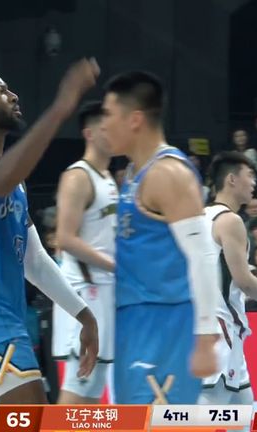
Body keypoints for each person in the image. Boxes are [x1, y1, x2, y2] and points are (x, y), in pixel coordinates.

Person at [0, 58, 100, 404]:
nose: (13, 96)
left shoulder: (14, 182)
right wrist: (60, 108)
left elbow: (34, 260)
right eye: (0, 91)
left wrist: (84, 314)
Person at [100, 70, 221, 404]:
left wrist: (205, 338)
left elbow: (202, 256)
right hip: (134, 322)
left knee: (158, 423)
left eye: (109, 114)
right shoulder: (134, 173)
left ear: (135, 119)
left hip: (165, 326)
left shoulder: (168, 174)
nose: (103, 124)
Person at [199, 152, 257, 414]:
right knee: (204, 418)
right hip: (220, 331)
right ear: (232, 179)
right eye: (250, 176)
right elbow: (244, 281)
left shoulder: (201, 216)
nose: (254, 182)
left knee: (244, 413)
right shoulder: (230, 221)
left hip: (214, 328)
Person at [53, 101, 117, 404]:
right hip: (83, 294)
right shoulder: (77, 177)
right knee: (77, 388)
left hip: (105, 292)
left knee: (92, 392)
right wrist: (116, 266)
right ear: (89, 133)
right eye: (107, 128)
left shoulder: (108, 178)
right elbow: (65, 238)